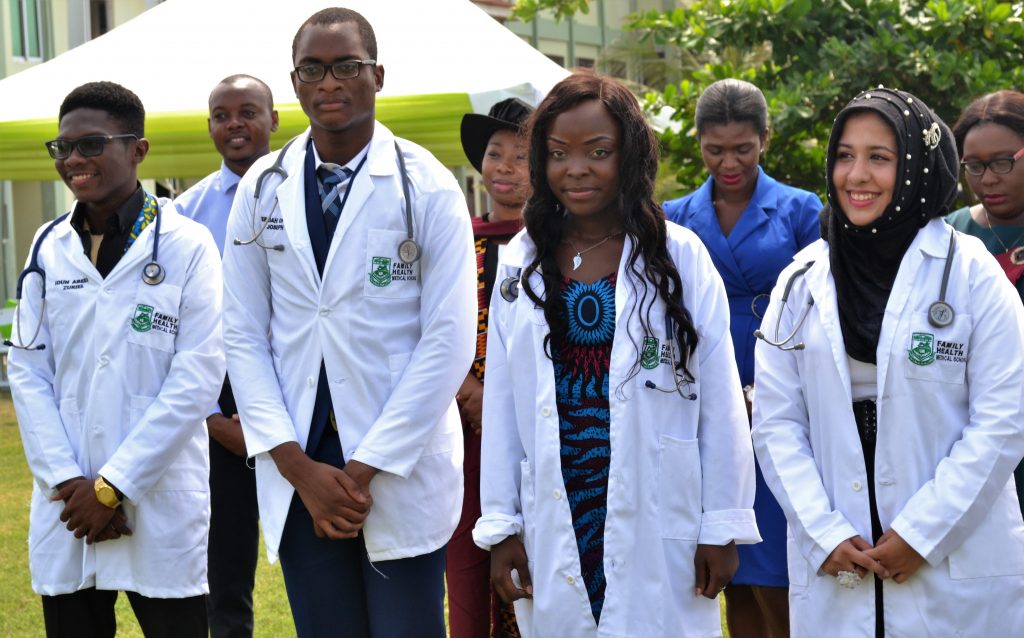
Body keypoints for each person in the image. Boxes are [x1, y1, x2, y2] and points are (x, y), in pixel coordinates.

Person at [473, 70, 760, 637]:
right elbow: (504, 403)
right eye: (558, 153)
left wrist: (722, 524)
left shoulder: (679, 257)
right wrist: (502, 523)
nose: (576, 169)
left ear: (629, 156)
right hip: (558, 497)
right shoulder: (521, 261)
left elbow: (721, 398)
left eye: (598, 152)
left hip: (659, 505)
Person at [220, 8, 476, 637]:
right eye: (312, 69)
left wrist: (364, 468)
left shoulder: (428, 186)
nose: (329, 83)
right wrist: (296, 467)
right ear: (295, 82)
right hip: (301, 458)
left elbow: (447, 341)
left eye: (346, 67)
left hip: (395, 460)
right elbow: (242, 334)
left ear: (377, 75)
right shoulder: (262, 187)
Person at [752, 87, 1024, 636]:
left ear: (916, 165)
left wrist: (923, 533)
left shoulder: (971, 273)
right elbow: (777, 422)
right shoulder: (801, 280)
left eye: (879, 157)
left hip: (951, 550)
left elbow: (1003, 419)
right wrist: (822, 531)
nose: (856, 175)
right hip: (838, 544)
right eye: (844, 155)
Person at [7, 81, 225, 637]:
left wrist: (112, 487)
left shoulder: (188, 244)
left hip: (156, 498)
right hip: (69, 505)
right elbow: (28, 371)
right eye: (62, 148)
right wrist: (68, 482)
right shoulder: (46, 246)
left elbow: (197, 378)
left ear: (138, 150)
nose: (73, 160)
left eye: (91, 145)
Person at [663, 78, 821, 638]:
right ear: (699, 143)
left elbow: (823, 305)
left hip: (781, 392)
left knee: (778, 565)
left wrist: (775, 391)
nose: (729, 163)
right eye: (715, 150)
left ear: (765, 140)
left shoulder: (801, 210)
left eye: (742, 149)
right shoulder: (674, 215)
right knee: (725, 558)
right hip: (707, 389)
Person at [174, 74, 278, 638]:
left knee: (329, 554)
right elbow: (177, 328)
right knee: (225, 567)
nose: (234, 123)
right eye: (221, 114)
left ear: (274, 119)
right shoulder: (185, 215)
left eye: (248, 111)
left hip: (301, 393)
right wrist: (213, 418)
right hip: (218, 401)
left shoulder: (309, 196)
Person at [449, 96, 532, 638]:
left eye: (521, 156)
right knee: (466, 562)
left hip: (531, 426)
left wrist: (500, 400)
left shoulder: (553, 245)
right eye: (495, 153)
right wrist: (468, 389)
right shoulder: (457, 240)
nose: (505, 167)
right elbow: (428, 321)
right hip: (463, 429)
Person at [945, 89, 1024, 518]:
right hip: (969, 441)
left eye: (1004, 162)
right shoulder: (948, 237)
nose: (988, 179)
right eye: (974, 166)